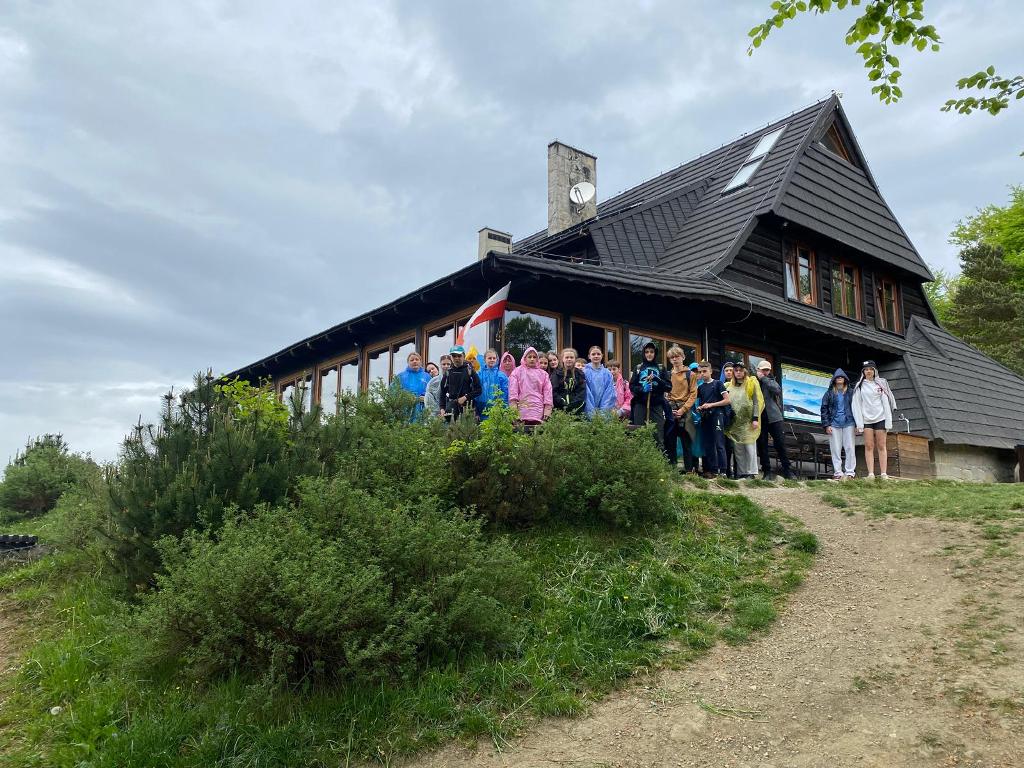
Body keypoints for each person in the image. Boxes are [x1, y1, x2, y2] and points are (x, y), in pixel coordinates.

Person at [852, 360, 897, 479]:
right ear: (863, 371)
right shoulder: (859, 385)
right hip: (866, 419)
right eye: (866, 369)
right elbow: (856, 404)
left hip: (880, 417)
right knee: (869, 446)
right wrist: (859, 423)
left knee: (881, 445)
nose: (868, 371)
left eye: (871, 369)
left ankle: (883, 473)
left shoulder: (881, 384)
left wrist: (888, 420)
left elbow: (886, 403)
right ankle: (871, 473)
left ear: (874, 371)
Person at [629, 342, 671, 453]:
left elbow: (668, 387)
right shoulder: (638, 368)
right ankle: (641, 462)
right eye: (647, 352)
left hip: (656, 405)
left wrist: (658, 380)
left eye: (651, 352)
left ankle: (658, 464)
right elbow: (632, 386)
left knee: (657, 434)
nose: (649, 354)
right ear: (643, 353)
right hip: (640, 404)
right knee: (640, 433)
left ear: (655, 353)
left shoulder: (661, 368)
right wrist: (643, 389)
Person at [755, 360, 794, 480]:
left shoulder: (771, 381)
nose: (765, 372)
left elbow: (777, 390)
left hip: (774, 418)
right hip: (760, 418)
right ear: (758, 370)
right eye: (763, 370)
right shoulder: (753, 382)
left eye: (767, 370)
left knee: (780, 444)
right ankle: (767, 471)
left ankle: (787, 470)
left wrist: (764, 379)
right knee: (762, 445)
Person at [725, 362, 763, 479]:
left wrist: (755, 418)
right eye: (736, 370)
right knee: (738, 449)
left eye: (740, 370)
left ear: (744, 371)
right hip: (735, 423)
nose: (738, 372)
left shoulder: (751, 383)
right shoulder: (728, 386)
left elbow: (756, 402)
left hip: (748, 421)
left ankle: (751, 472)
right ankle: (742, 473)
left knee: (750, 447)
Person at [695, 360, 730, 477]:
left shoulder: (718, 383)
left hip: (717, 415)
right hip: (705, 417)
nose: (702, 374)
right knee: (708, 444)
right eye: (700, 372)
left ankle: (723, 471)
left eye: (705, 371)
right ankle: (714, 470)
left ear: (710, 371)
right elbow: (697, 401)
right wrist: (700, 407)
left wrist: (711, 405)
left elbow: (727, 400)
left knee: (719, 443)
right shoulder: (700, 387)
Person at [665, 346, 698, 470]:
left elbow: (693, 394)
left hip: (686, 411)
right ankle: (672, 470)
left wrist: (683, 409)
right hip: (671, 410)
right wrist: (670, 408)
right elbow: (666, 393)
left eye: (677, 356)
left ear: (683, 357)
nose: (674, 359)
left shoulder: (691, 374)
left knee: (686, 442)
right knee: (671, 441)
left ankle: (689, 471)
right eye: (672, 357)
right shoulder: (668, 375)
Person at [821, 368, 856, 479]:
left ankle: (850, 472)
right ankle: (838, 472)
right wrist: (826, 425)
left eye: (841, 377)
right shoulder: (829, 393)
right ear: (834, 380)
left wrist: (858, 424)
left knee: (850, 448)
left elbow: (856, 408)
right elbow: (824, 409)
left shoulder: (851, 392)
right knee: (835, 449)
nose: (839, 378)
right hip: (833, 424)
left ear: (845, 379)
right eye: (837, 377)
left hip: (849, 423)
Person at [508, 346, 553, 425]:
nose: (532, 359)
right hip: (522, 410)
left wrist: (547, 412)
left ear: (537, 359)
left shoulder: (544, 374)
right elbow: (513, 393)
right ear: (525, 358)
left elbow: (548, 394)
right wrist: (513, 411)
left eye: (534, 357)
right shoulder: (517, 372)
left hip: (538, 410)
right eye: (529, 357)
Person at [439, 345, 482, 422]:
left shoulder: (470, 371)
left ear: (463, 356)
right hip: (452, 409)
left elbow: (478, 390)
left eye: (459, 356)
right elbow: (442, 393)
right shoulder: (448, 373)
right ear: (451, 357)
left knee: (469, 433)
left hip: (468, 408)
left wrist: (465, 397)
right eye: (454, 356)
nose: (457, 358)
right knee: (451, 433)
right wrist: (442, 408)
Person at [392, 351, 432, 421]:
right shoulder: (401, 376)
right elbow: (393, 392)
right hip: (404, 410)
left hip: (422, 409)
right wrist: (405, 398)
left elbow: (433, 393)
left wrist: (426, 398)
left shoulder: (427, 377)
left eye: (417, 359)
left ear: (420, 361)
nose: (414, 361)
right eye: (412, 360)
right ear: (408, 362)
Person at [475, 348, 510, 420]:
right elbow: (475, 393)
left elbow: (505, 394)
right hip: (481, 410)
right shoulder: (479, 375)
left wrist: (504, 409)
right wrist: (476, 412)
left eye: (494, 358)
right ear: (485, 360)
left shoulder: (501, 376)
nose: (492, 360)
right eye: (489, 358)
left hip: (497, 411)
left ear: (497, 360)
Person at [552, 348, 587, 415]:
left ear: (575, 359)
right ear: (562, 359)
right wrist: (563, 403)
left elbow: (581, 391)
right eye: (567, 357)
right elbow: (554, 391)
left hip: (576, 409)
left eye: (571, 357)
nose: (569, 359)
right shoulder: (556, 373)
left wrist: (572, 405)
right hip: (559, 409)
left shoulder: (579, 374)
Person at [584, 346, 617, 417]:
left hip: (603, 414)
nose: (596, 356)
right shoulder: (584, 372)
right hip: (587, 411)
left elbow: (609, 394)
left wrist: (603, 413)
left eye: (598, 354)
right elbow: (586, 394)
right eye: (593, 354)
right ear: (589, 356)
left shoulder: (607, 373)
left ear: (602, 356)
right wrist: (591, 413)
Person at [721, 361, 736, 477]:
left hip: (736, 419)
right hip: (724, 418)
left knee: (735, 446)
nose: (729, 372)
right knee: (725, 445)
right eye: (727, 370)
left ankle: (737, 471)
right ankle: (726, 470)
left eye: (731, 370)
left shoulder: (738, 385)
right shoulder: (720, 384)